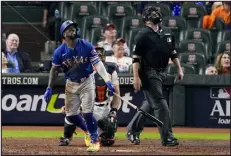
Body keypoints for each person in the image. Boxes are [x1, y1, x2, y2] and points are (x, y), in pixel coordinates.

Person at [43, 20, 115, 152]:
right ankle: (87, 130)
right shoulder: (59, 52)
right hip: (71, 83)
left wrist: (107, 80)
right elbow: (54, 70)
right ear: (64, 34)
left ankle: (94, 140)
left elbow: (98, 64)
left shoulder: (86, 45)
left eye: (74, 28)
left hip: (87, 81)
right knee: (70, 115)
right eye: (69, 29)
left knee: (87, 113)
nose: (73, 30)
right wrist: (49, 88)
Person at [126, 6, 184, 146]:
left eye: (157, 12)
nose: (156, 14)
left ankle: (132, 130)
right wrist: (136, 77)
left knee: (150, 104)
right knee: (160, 104)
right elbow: (136, 58)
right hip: (147, 72)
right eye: (152, 13)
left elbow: (173, 53)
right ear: (145, 19)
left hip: (162, 71)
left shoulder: (168, 33)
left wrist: (180, 69)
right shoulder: (143, 35)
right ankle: (167, 137)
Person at [60, 45, 120, 146]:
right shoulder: (80, 69)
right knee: (71, 113)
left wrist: (113, 111)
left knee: (108, 140)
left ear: (103, 58)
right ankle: (67, 137)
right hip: (87, 107)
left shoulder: (110, 70)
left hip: (104, 108)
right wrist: (67, 104)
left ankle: (101, 135)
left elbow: (117, 94)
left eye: (100, 56)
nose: (97, 59)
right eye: (95, 56)